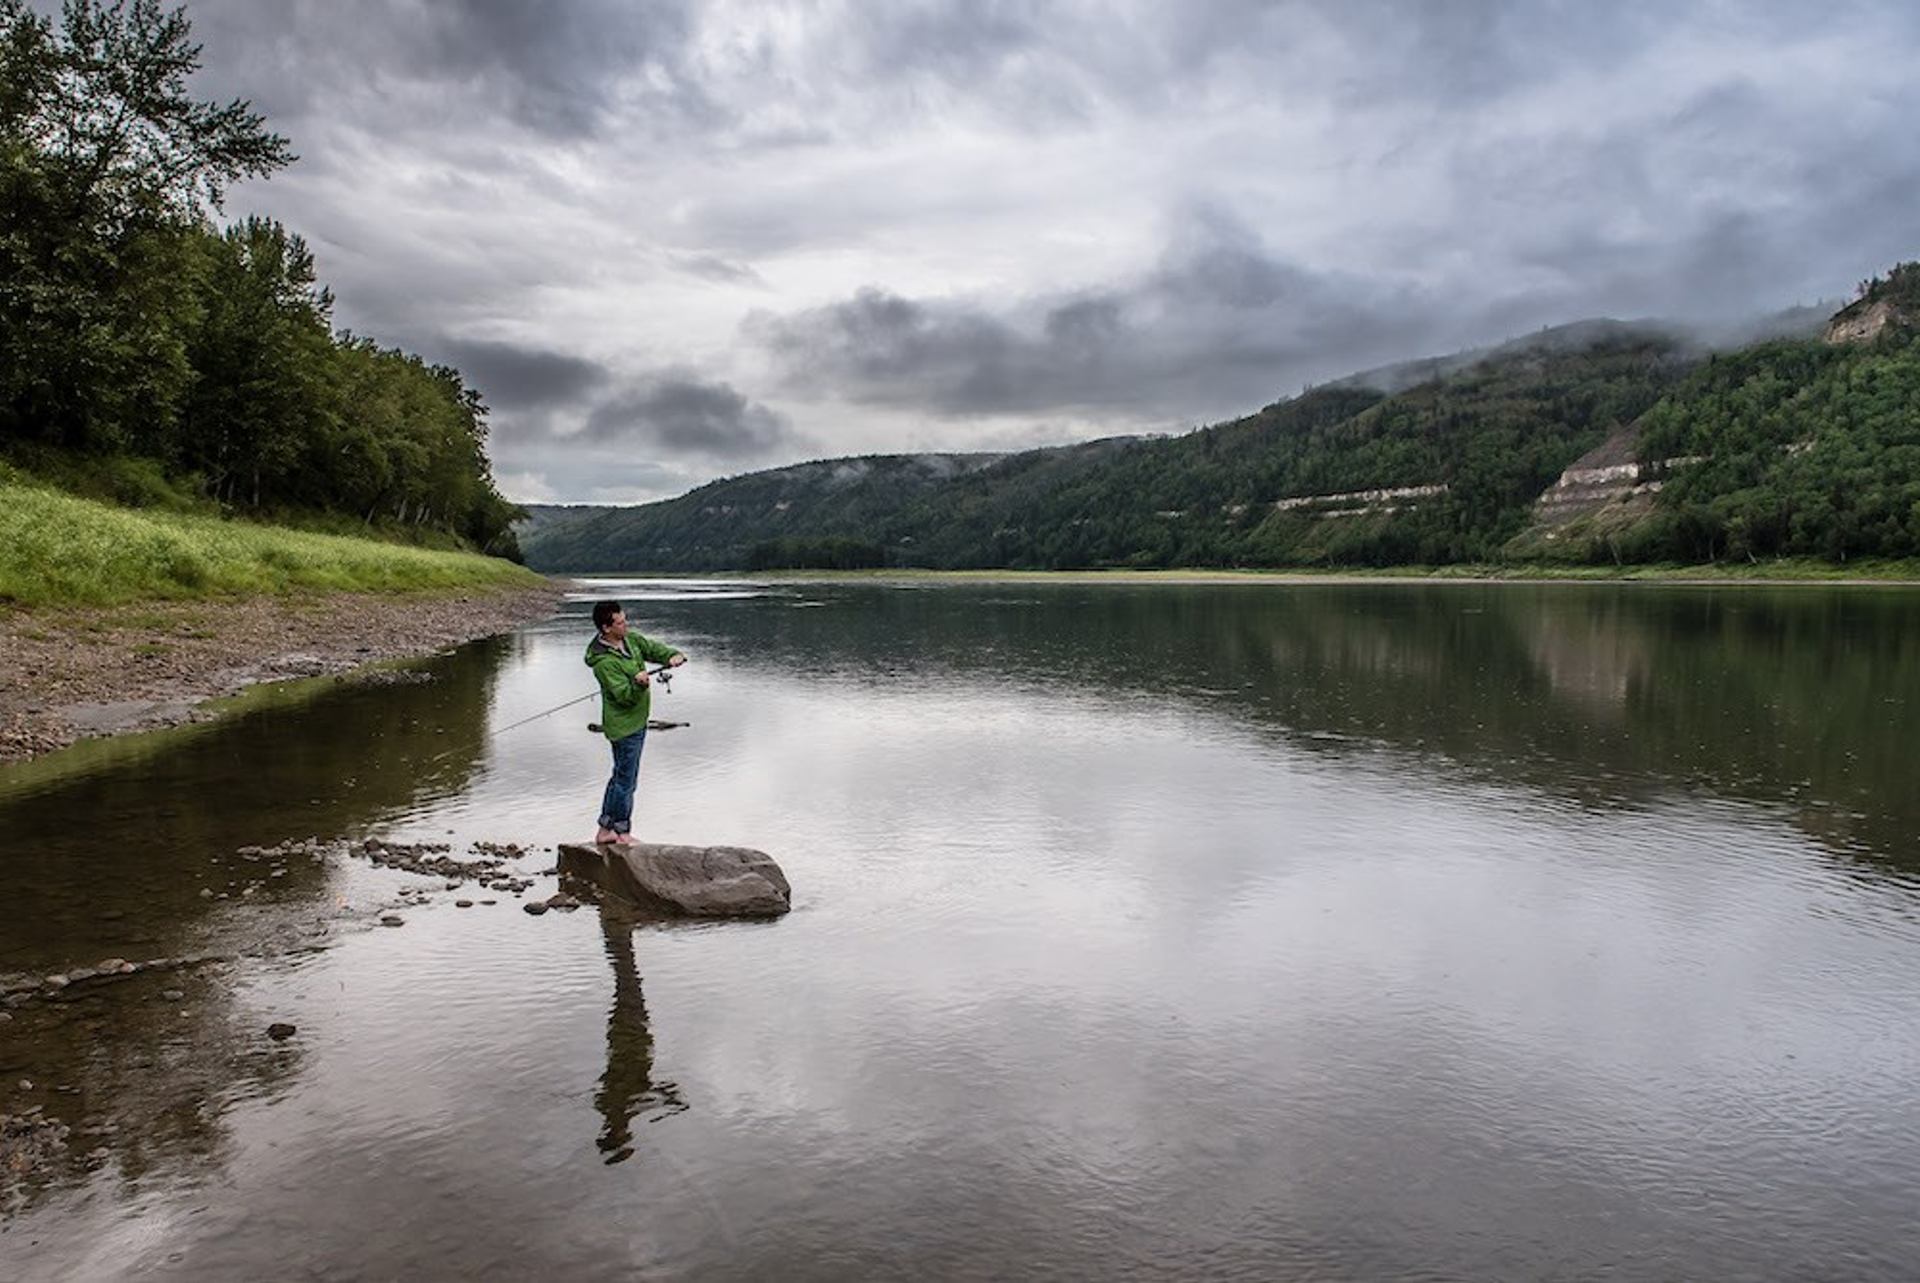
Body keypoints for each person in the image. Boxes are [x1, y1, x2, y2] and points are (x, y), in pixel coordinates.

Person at [586, 600, 685, 845]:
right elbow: (624, 697)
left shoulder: (630, 640)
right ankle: (621, 832)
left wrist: (671, 655)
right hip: (623, 726)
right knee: (626, 781)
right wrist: (639, 684)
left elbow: (652, 649)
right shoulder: (604, 663)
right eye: (620, 622)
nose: (626, 625)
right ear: (606, 628)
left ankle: (605, 829)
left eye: (625, 620)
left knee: (619, 776)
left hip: (637, 722)